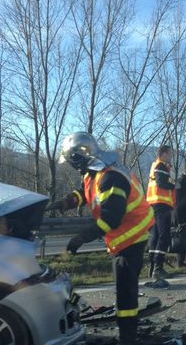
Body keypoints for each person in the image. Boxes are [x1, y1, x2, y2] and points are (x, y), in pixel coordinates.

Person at [56, 132, 154, 345]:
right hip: (122, 237)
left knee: (126, 293)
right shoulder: (94, 172)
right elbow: (85, 192)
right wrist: (67, 202)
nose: (72, 167)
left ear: (79, 158)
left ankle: (128, 338)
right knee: (123, 289)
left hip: (132, 237)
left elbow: (110, 219)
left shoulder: (112, 178)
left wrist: (80, 239)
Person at [146, 145, 176, 280]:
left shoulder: (155, 165)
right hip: (161, 204)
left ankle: (153, 266)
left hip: (153, 204)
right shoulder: (161, 165)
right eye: (170, 153)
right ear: (163, 154)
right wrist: (174, 185)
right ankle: (158, 267)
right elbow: (161, 183)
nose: (171, 156)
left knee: (155, 236)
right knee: (164, 236)